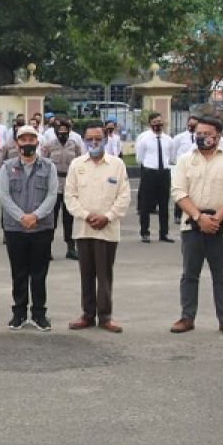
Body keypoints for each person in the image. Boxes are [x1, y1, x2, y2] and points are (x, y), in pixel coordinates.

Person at [170, 115, 223, 337]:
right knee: (189, 275)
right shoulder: (185, 160)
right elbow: (178, 192)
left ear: (218, 136)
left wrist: (215, 219)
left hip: (221, 228)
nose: (201, 137)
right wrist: (198, 217)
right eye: (198, 133)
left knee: (221, 276)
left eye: (206, 134)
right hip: (191, 226)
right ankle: (187, 318)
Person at [64, 121, 131, 333]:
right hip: (83, 229)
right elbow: (70, 196)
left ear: (106, 139)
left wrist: (108, 217)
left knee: (104, 275)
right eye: (90, 139)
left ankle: (105, 316)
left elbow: (124, 196)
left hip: (107, 230)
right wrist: (86, 215)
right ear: (84, 141)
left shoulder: (116, 165)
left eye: (98, 139)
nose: (94, 142)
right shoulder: (77, 165)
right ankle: (87, 314)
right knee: (86, 274)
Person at [0, 124, 58, 330]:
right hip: (15, 228)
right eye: (23, 140)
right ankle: (19, 313)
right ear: (17, 143)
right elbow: (4, 196)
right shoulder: (7, 167)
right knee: (19, 272)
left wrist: (36, 216)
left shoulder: (49, 167)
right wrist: (21, 216)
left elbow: (52, 195)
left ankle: (39, 314)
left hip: (42, 228)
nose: (27, 143)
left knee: (39, 273)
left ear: (37, 142)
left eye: (31, 140)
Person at [40, 117, 83, 259]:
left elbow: (80, 163)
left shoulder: (74, 145)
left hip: (70, 184)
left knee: (69, 218)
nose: (62, 133)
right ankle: (47, 249)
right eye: (60, 131)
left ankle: (71, 248)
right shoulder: (49, 145)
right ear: (56, 131)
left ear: (69, 132)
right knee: (51, 218)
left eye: (65, 131)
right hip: (54, 184)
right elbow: (42, 163)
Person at [134, 113, 175, 243]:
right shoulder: (144, 139)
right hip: (149, 172)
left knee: (164, 204)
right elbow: (139, 158)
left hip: (164, 173)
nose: (158, 124)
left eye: (159, 121)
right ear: (150, 124)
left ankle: (164, 233)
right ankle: (145, 232)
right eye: (155, 122)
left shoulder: (168, 140)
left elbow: (171, 157)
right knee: (145, 204)